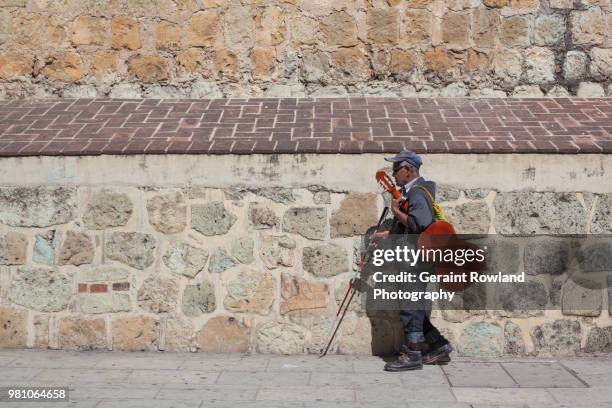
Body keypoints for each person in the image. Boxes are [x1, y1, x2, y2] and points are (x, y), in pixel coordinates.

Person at [371, 150, 453, 371]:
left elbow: (419, 224)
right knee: (413, 305)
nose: (394, 173)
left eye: (396, 169)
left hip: (415, 260)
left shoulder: (417, 192)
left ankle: (412, 355)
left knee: (410, 305)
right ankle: (438, 346)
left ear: (408, 170)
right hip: (415, 257)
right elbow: (410, 228)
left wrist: (396, 211)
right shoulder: (413, 192)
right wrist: (385, 236)